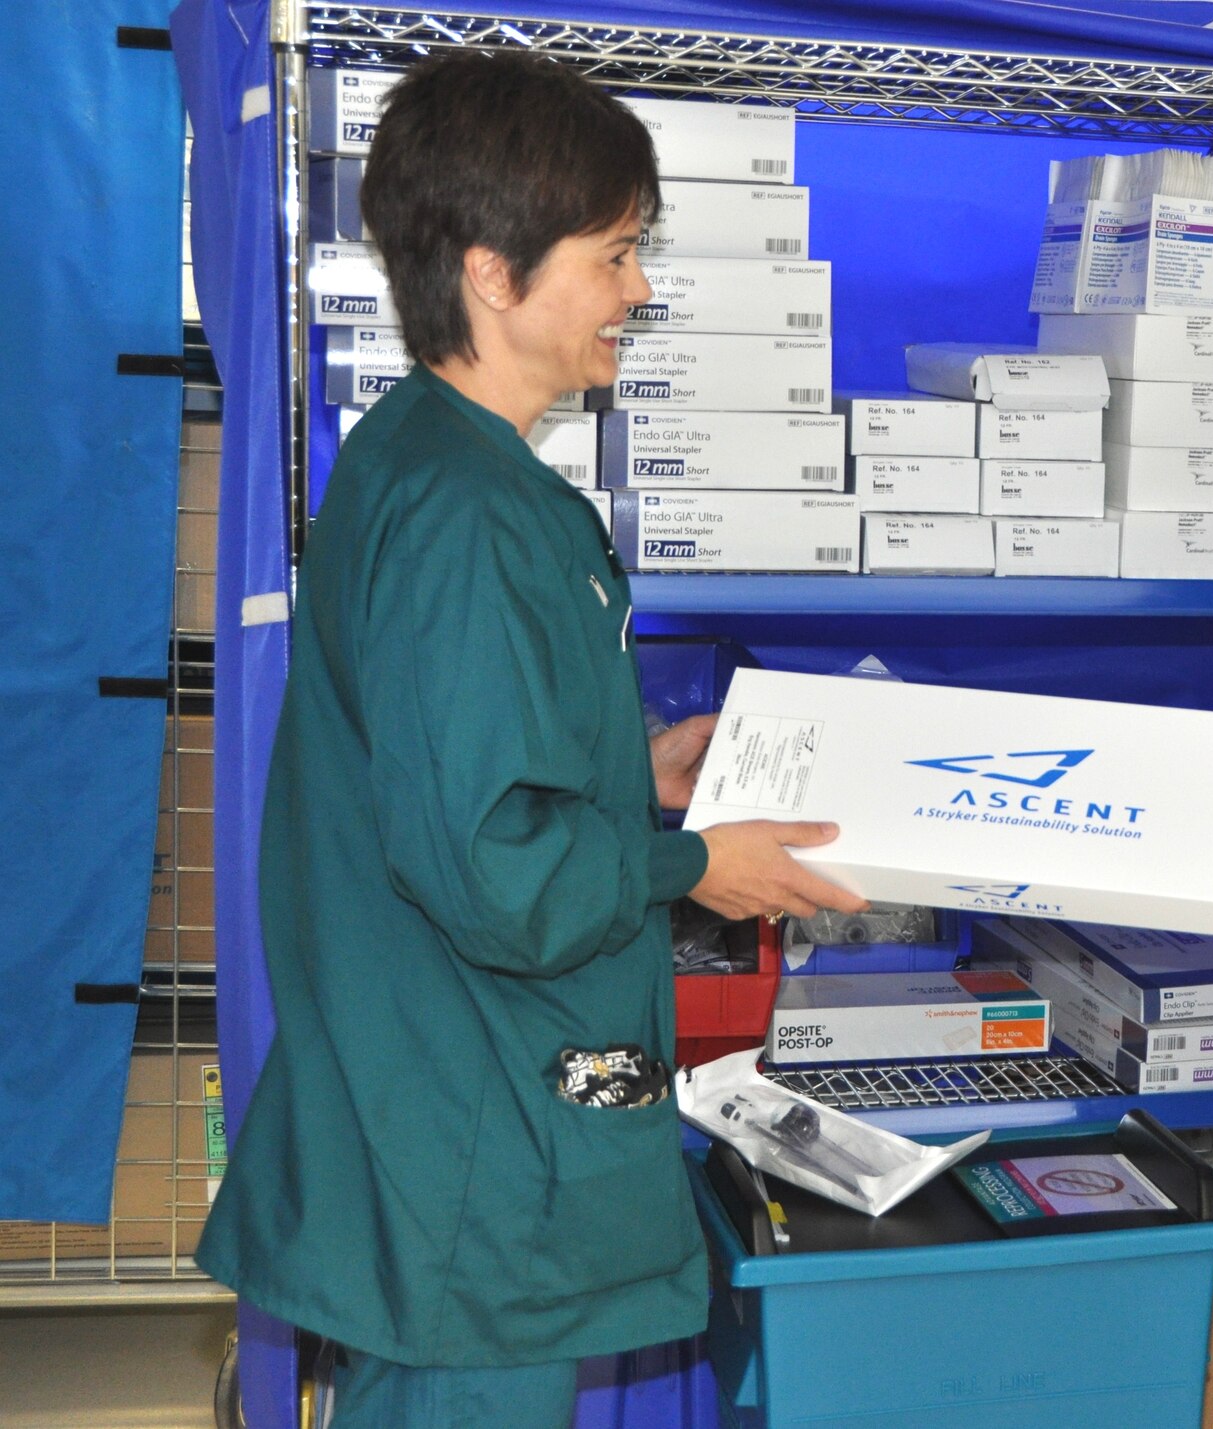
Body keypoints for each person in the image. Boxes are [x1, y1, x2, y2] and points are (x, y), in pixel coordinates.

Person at [196, 53, 865, 1427]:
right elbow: (495, 866)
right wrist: (692, 869)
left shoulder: (427, 464)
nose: (640, 288)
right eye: (615, 254)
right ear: (495, 272)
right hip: (473, 1150)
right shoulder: (469, 518)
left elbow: (453, 777)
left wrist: (645, 775)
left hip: (446, 1114)